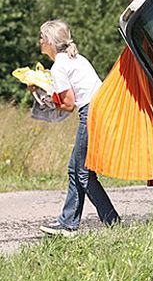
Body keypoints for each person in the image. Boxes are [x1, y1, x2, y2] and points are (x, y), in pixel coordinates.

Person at [36, 20, 120, 236]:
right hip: (98, 109)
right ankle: (69, 223)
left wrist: (42, 98)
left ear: (51, 42)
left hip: (90, 112)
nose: (39, 41)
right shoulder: (74, 58)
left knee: (82, 173)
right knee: (77, 170)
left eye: (42, 37)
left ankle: (111, 223)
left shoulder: (60, 66)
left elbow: (68, 105)